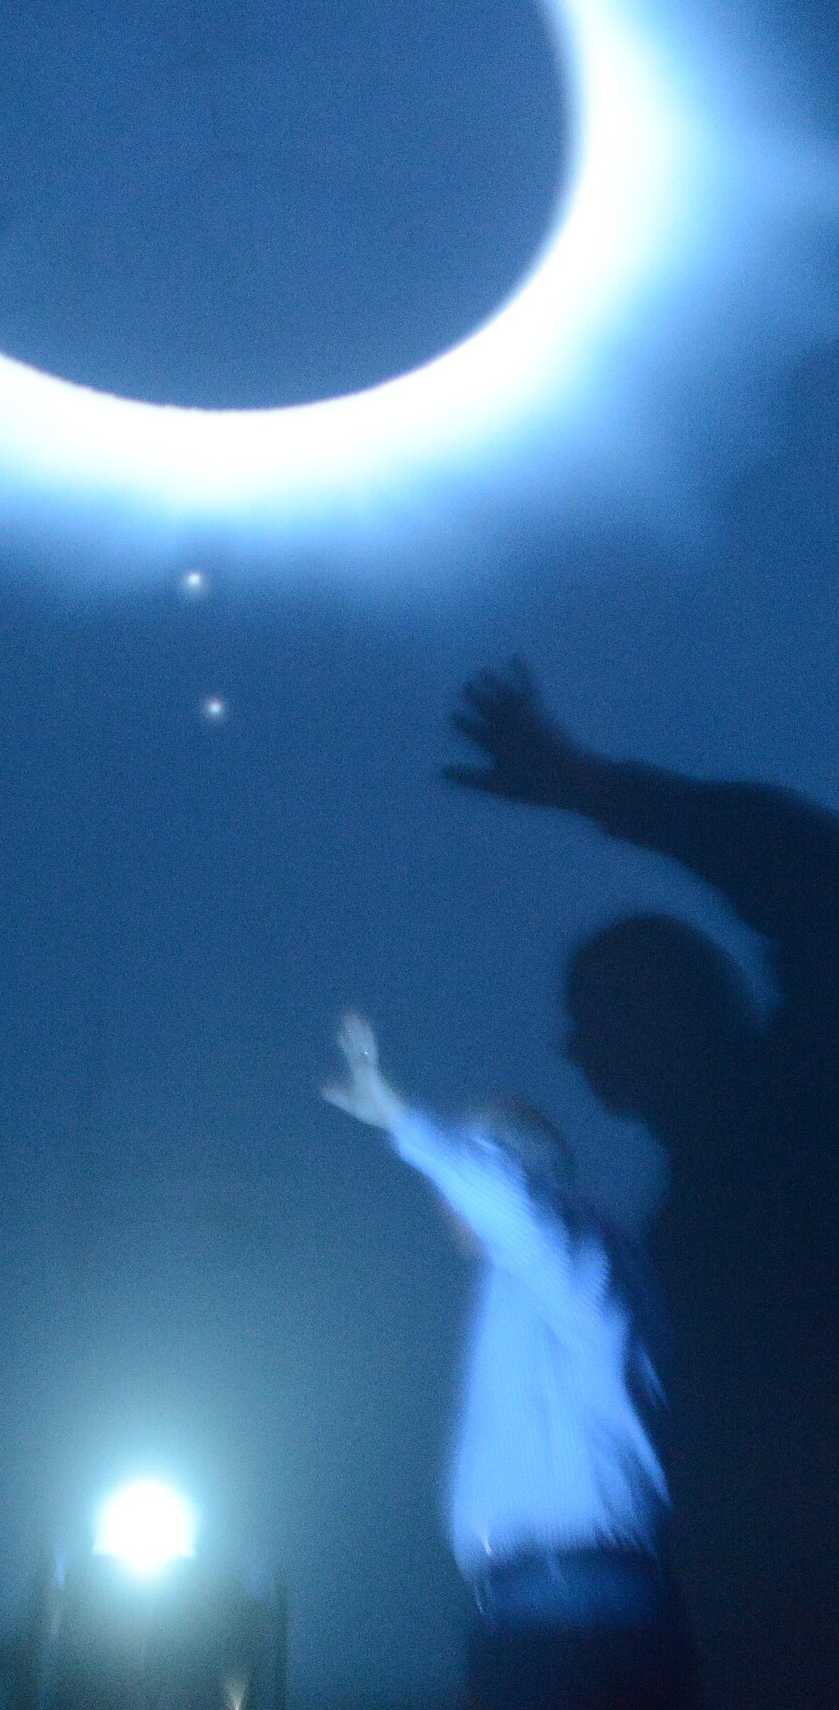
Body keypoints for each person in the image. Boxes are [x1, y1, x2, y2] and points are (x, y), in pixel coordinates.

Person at [443, 661, 839, 1708]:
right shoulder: (672, 1238)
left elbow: (808, 875)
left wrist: (592, 785)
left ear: (670, 1006)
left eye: (597, 1008)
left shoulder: (802, 1107)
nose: (570, 1047)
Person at [323, 1013, 700, 1710]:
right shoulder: (545, 1280)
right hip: (553, 1614)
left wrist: (400, 1117)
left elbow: (513, 1209)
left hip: (569, 1622)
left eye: (468, 1165)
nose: (446, 1193)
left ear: (509, 1171)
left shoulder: (571, 1244)